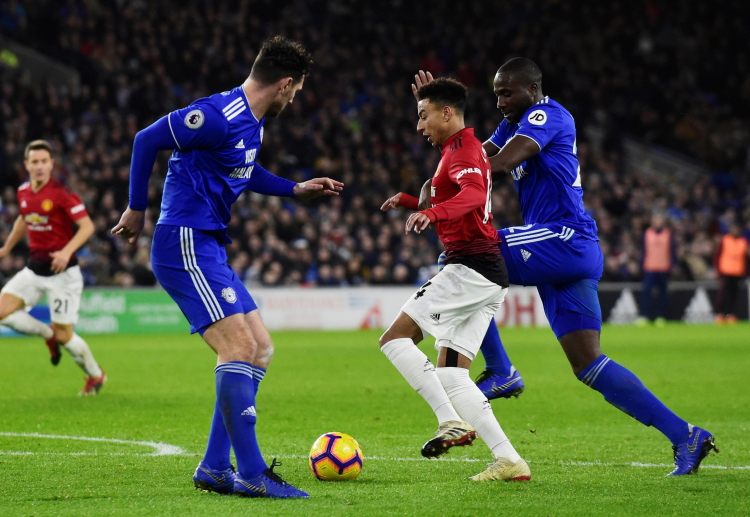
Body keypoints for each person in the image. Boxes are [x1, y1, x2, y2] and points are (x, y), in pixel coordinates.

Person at [410, 58, 717, 476]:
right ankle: (686, 436)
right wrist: (438, 121)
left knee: (464, 256)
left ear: (533, 90)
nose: (500, 102)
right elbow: (474, 156)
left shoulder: (547, 116)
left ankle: (500, 370)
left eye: (507, 93)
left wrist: (443, 169)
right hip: (563, 251)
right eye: (496, 94)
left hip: (563, 237)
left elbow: (498, 164)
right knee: (588, 364)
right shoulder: (512, 123)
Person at [111, 36, 343, 499]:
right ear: (285, 84)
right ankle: (252, 473)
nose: (295, 99)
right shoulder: (217, 115)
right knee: (238, 346)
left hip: (209, 245)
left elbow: (245, 170)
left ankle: (216, 467)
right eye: (297, 90)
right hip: (184, 241)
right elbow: (146, 139)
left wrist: (294, 189)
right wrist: (136, 207)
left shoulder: (253, 124)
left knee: (260, 348)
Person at [380, 77, 530, 482]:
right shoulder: (459, 148)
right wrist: (412, 202)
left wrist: (431, 213)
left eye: (423, 115)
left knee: (394, 339)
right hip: (486, 273)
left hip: (470, 268)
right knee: (451, 373)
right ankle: (509, 460)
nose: (419, 126)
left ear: (447, 113)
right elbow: (453, 196)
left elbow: (472, 194)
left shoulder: (462, 149)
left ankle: (450, 420)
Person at [0, 139, 106, 396]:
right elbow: (23, 220)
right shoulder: (23, 191)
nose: (39, 166)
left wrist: (67, 251)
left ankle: (95, 375)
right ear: (26, 165)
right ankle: (47, 334)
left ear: (51, 164)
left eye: (44, 161)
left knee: (65, 337)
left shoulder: (62, 194)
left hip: (63, 275)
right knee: (2, 311)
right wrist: (6, 248)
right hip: (34, 270)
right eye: (34, 162)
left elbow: (87, 226)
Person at [636, 211, 674, 326]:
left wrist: (672, 265)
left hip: (663, 268)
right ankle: (644, 316)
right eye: (655, 220)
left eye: (659, 220)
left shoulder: (668, 234)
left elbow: (672, 251)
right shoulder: (647, 234)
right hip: (649, 268)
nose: (657, 222)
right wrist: (641, 265)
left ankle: (660, 316)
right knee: (646, 294)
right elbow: (643, 251)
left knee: (662, 295)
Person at [714, 223, 749, 324]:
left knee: (734, 295)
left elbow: (746, 259)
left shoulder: (743, 242)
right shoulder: (725, 240)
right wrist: (718, 270)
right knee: (723, 294)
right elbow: (717, 256)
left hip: (738, 272)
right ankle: (719, 314)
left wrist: (746, 272)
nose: (736, 231)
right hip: (725, 271)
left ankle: (730, 314)